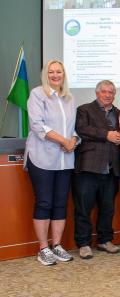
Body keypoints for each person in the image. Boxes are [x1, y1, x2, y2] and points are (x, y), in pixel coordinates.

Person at [25, 60, 77, 266]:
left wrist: (73, 140)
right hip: (42, 157)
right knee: (44, 202)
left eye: (59, 72)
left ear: (64, 75)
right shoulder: (38, 94)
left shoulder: (69, 98)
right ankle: (43, 248)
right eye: (51, 72)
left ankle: (57, 246)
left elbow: (72, 127)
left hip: (65, 159)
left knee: (60, 203)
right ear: (45, 74)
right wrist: (64, 140)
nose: (55, 75)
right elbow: (37, 126)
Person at [72, 80, 120, 259]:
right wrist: (106, 135)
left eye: (111, 92)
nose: (108, 95)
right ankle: (84, 243)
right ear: (97, 93)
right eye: (104, 91)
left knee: (108, 208)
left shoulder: (119, 113)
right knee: (83, 208)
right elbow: (82, 129)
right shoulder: (84, 110)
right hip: (88, 168)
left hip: (111, 169)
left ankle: (104, 240)